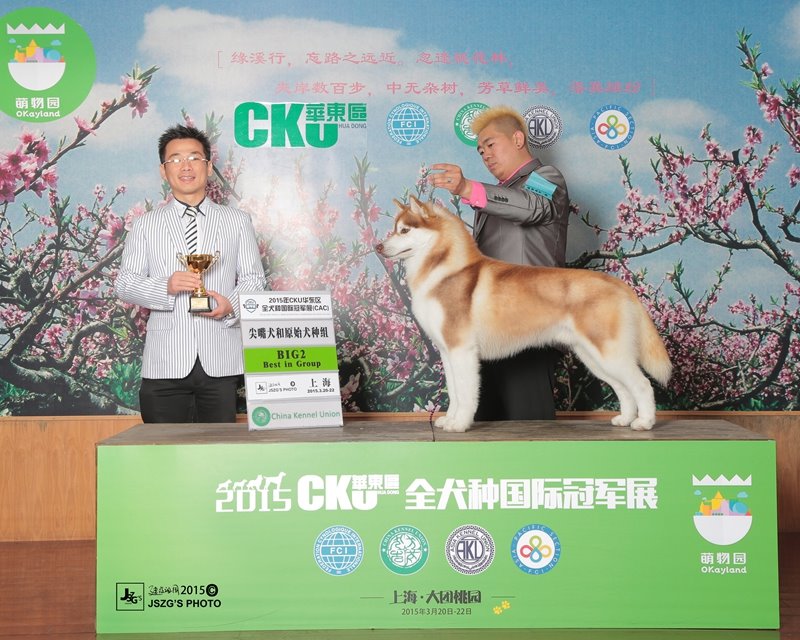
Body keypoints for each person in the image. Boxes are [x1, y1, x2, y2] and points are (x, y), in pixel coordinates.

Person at [115, 124, 266, 423]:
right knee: (163, 449)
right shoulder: (145, 224)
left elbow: (254, 280)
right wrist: (166, 286)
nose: (186, 166)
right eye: (176, 159)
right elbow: (125, 284)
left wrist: (230, 305)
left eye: (195, 158)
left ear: (208, 167)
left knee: (218, 449)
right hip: (164, 363)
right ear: (164, 170)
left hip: (221, 361)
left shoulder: (237, 220)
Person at [429, 105, 570, 421]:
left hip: (530, 327)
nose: (485, 155)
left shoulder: (545, 177)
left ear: (518, 139)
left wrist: (467, 188)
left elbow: (532, 207)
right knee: (482, 428)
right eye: (480, 151)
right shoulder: (491, 196)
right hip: (486, 330)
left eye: (490, 144)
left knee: (529, 429)